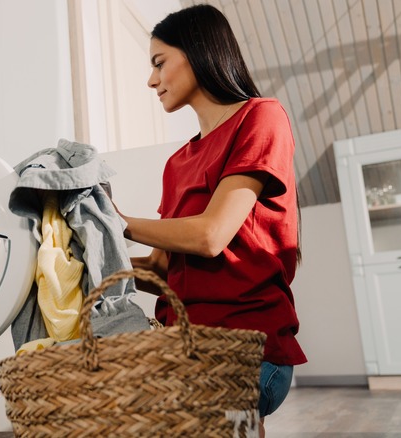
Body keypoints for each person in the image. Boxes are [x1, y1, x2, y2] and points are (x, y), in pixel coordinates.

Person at [118, 4, 307, 437]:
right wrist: (88, 255)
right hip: (183, 348)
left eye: (159, 63)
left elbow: (211, 235)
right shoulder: (177, 162)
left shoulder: (260, 116)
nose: (151, 80)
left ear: (198, 51)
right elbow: (162, 270)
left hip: (246, 351)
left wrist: (120, 223)